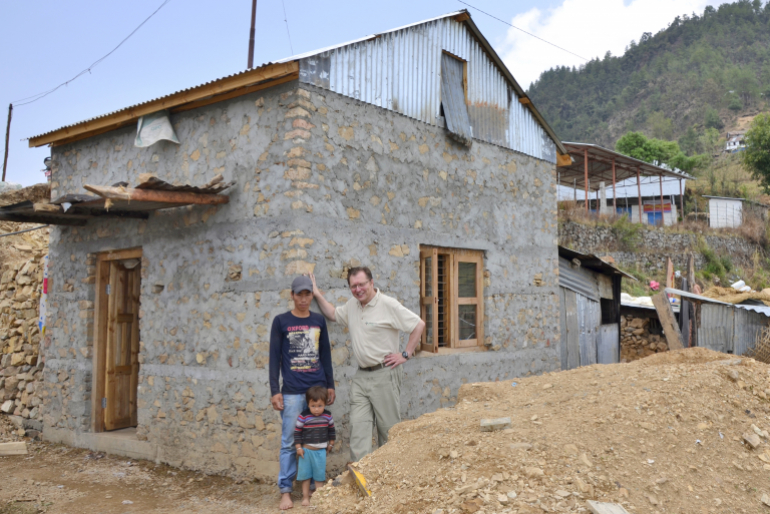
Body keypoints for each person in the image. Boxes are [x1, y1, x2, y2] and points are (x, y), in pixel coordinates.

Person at [309, 267, 425, 461]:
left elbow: (418, 324)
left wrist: (406, 354)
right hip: (361, 376)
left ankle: (390, 472)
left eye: (361, 284)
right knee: (358, 427)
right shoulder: (352, 305)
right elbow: (333, 314)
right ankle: (361, 474)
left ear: (371, 283)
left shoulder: (387, 304)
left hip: (385, 373)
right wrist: (316, 293)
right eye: (353, 286)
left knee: (388, 430)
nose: (358, 289)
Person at [269, 276, 335, 511]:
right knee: (289, 442)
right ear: (292, 295)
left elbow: (325, 354)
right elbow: (274, 358)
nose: (304, 299)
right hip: (292, 392)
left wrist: (330, 385)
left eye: (308, 294)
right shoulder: (281, 321)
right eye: (300, 294)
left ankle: (316, 487)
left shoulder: (318, 320)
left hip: (316, 391)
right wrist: (275, 390)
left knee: (317, 440)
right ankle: (286, 491)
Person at [295, 385, 336, 507]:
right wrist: (298, 448)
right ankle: (305, 498)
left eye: (320, 406)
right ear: (308, 404)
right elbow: (297, 432)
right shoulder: (304, 416)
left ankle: (319, 499)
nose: (316, 409)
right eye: (313, 406)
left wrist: (331, 444)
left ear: (325, 404)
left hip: (320, 452)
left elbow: (331, 431)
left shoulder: (327, 416)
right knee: (306, 476)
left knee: (319, 476)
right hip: (306, 451)